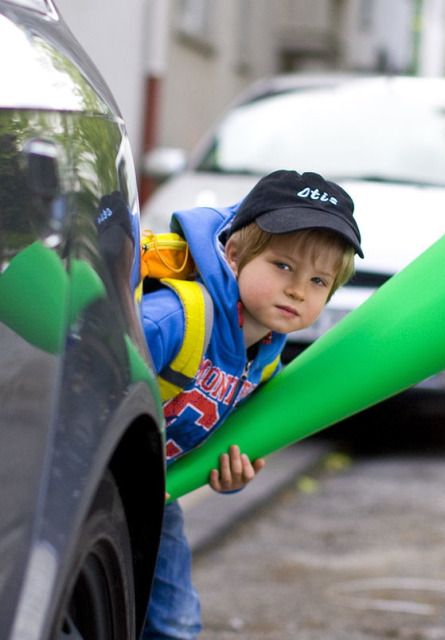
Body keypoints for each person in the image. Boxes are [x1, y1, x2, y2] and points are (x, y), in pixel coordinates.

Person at [140, 169, 363, 639]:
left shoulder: (264, 360)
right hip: (83, 483)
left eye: (319, 280)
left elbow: (225, 442)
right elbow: (86, 385)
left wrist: (231, 476)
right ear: (235, 255)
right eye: (283, 266)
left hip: (154, 498)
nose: (299, 289)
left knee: (174, 625)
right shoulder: (174, 320)